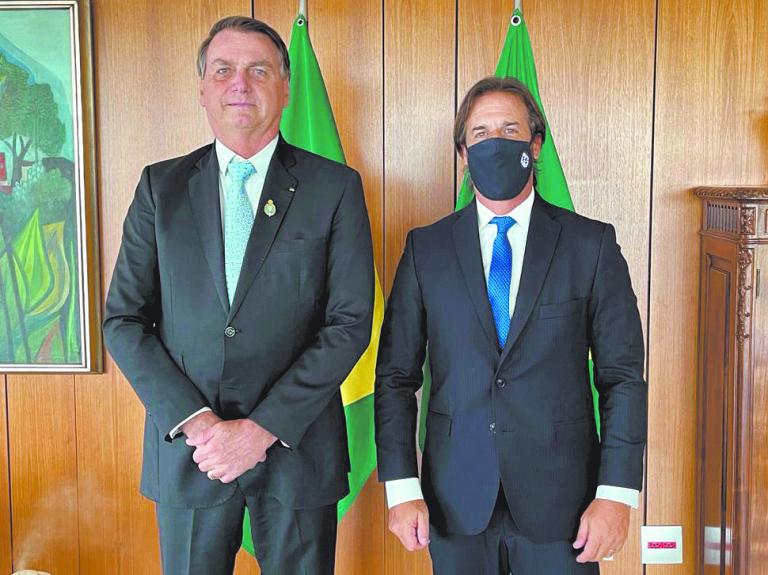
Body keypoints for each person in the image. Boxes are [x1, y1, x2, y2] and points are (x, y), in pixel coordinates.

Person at [103, 16, 374, 575]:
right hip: (190, 454)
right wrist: (200, 424)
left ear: (284, 86)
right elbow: (124, 320)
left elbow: (349, 323)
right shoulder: (161, 187)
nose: (239, 84)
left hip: (298, 452)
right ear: (202, 89)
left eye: (258, 70)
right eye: (223, 70)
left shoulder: (335, 187)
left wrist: (260, 430)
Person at [374, 76, 647, 575]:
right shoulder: (425, 251)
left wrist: (616, 495)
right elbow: (394, 378)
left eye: (509, 129)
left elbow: (622, 377)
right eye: (480, 134)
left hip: (564, 506)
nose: (494, 143)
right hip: (453, 504)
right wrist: (401, 486)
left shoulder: (591, 246)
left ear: (535, 144)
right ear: (463, 153)